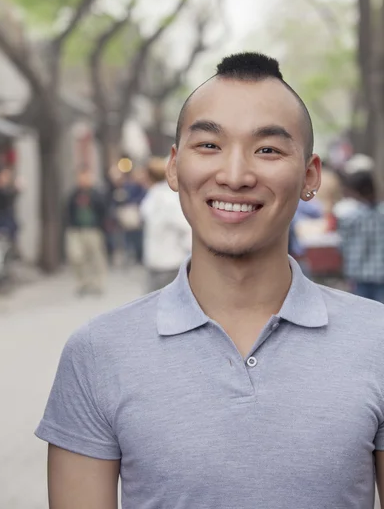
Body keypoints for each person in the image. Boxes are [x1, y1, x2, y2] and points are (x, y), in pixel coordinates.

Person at [36, 52, 384, 509]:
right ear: (176, 168)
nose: (235, 176)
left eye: (268, 150)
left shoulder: (376, 339)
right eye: (209, 146)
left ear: (310, 175)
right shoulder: (98, 353)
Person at [141, 156, 191, 292]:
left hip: (170, 262)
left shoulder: (166, 199)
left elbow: (186, 227)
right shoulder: (154, 195)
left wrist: (187, 249)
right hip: (155, 261)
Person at [337, 170, 384, 303]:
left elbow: (343, 247)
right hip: (382, 275)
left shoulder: (349, 218)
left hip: (359, 275)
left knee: (362, 315)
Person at [65, 167, 108, 295]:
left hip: (93, 229)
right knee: (76, 257)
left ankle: (97, 283)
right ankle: (82, 282)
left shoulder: (96, 193)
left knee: (95, 257)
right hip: (76, 230)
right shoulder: (73, 194)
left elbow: (103, 209)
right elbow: (67, 210)